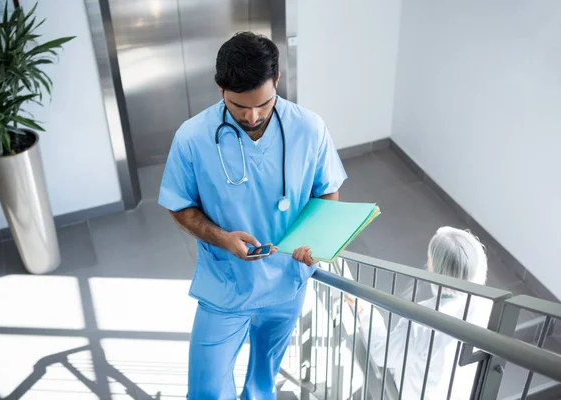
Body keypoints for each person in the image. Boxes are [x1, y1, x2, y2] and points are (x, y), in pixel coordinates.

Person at [158, 32, 347, 399]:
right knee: (206, 390)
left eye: (262, 104)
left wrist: (316, 240)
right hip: (226, 284)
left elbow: (326, 191)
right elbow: (179, 205)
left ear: (276, 81)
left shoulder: (309, 128)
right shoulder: (192, 138)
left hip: (287, 281)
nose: (253, 116)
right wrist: (222, 238)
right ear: (220, 89)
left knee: (262, 382)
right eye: (238, 106)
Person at [345, 226, 490, 400]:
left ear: (437, 270)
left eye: (430, 259)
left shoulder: (422, 319)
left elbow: (382, 354)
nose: (427, 264)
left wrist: (366, 313)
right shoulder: (485, 307)